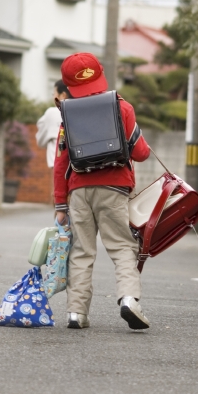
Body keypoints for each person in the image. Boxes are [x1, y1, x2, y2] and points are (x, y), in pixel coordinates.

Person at [54, 53, 151, 331]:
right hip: (114, 187)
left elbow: (61, 162)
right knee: (122, 246)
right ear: (99, 74)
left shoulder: (67, 115)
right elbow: (141, 153)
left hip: (79, 192)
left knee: (82, 251)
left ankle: (76, 313)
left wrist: (61, 205)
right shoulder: (121, 106)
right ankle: (129, 300)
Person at [35, 80, 70, 168]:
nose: (53, 97)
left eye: (54, 94)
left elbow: (40, 141)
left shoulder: (51, 113)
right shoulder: (80, 112)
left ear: (63, 95)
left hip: (57, 165)